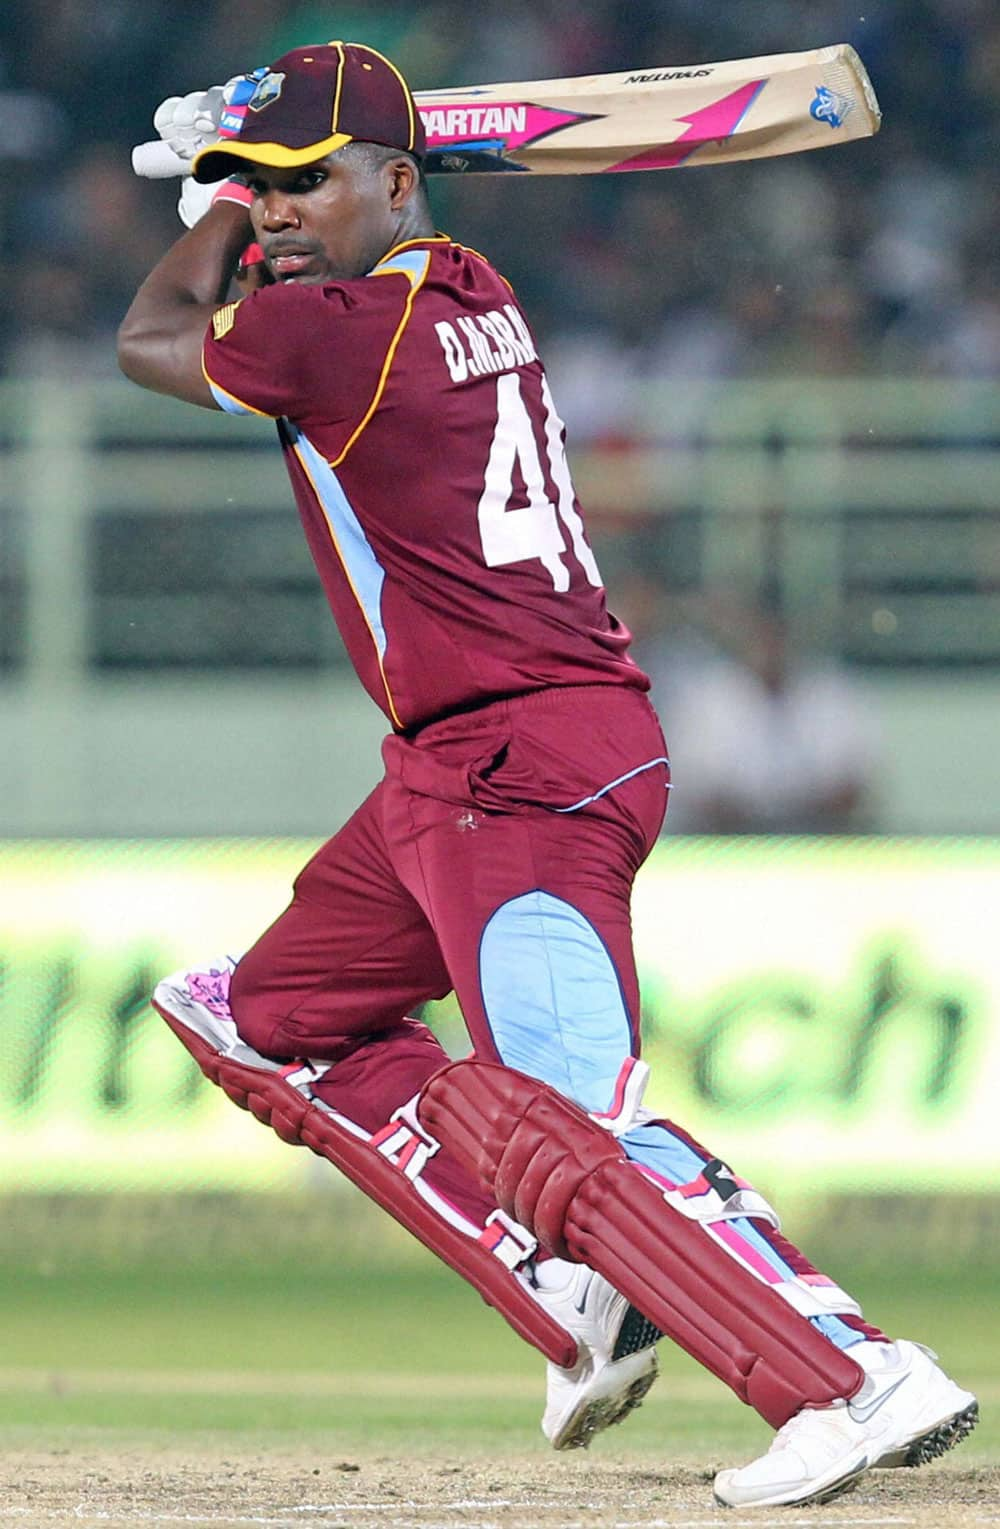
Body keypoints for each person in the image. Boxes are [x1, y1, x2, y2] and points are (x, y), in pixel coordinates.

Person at [118, 41, 976, 1508]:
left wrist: (200, 183)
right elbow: (288, 294)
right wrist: (252, 167)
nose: (269, 210)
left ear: (399, 180)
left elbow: (152, 340)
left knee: (576, 1116)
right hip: (473, 759)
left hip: (513, 767)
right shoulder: (470, 291)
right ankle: (571, 1279)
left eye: (299, 184)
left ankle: (846, 1374)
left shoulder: (329, 335)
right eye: (261, 188)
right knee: (264, 1018)